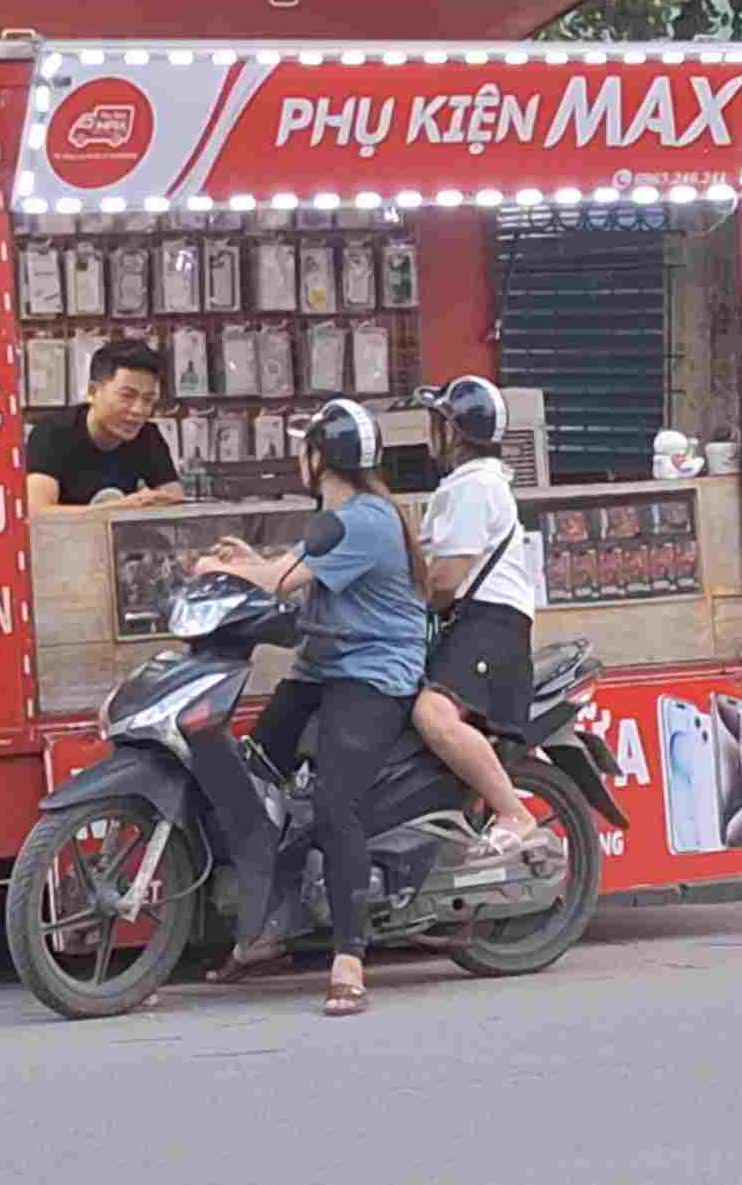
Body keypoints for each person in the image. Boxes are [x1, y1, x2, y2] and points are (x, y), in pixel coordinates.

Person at [195, 399, 426, 1018]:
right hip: (323, 666)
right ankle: (268, 927)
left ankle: (349, 957)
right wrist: (244, 562)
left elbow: (281, 582)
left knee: (333, 799)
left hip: (374, 672)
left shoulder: (367, 521)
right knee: (253, 780)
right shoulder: (336, 515)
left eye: (306, 448)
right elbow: (286, 569)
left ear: (319, 457)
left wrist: (221, 568)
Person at [412, 375, 560, 862]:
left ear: (454, 433)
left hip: (488, 626)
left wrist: (408, 604)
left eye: (437, 422)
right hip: (480, 623)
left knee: (431, 713)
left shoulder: (475, 488)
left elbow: (446, 578)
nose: (430, 433)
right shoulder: (469, 485)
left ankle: (513, 811)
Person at [23, 338, 185, 511]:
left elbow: (175, 502)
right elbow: (38, 512)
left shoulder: (148, 436)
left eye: (148, 400)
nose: (139, 410)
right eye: (127, 396)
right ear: (92, 392)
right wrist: (119, 509)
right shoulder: (52, 433)